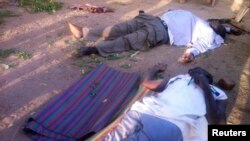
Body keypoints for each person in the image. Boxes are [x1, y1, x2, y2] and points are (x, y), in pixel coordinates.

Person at [95, 64, 228, 141]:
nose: (196, 73)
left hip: (171, 122)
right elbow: (146, 83)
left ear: (209, 79)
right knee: (112, 138)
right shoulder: (179, 79)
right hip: (142, 111)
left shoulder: (216, 92)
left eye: (201, 73)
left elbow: (218, 121)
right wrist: (155, 69)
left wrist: (205, 87)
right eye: (194, 71)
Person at [67, 9, 238, 64]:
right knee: (121, 27)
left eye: (220, 27)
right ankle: (86, 32)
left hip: (161, 32)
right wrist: (229, 29)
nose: (219, 25)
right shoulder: (207, 24)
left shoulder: (209, 35)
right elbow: (224, 28)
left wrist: (190, 54)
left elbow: (200, 46)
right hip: (154, 20)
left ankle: (93, 49)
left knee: (128, 40)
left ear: (218, 33)